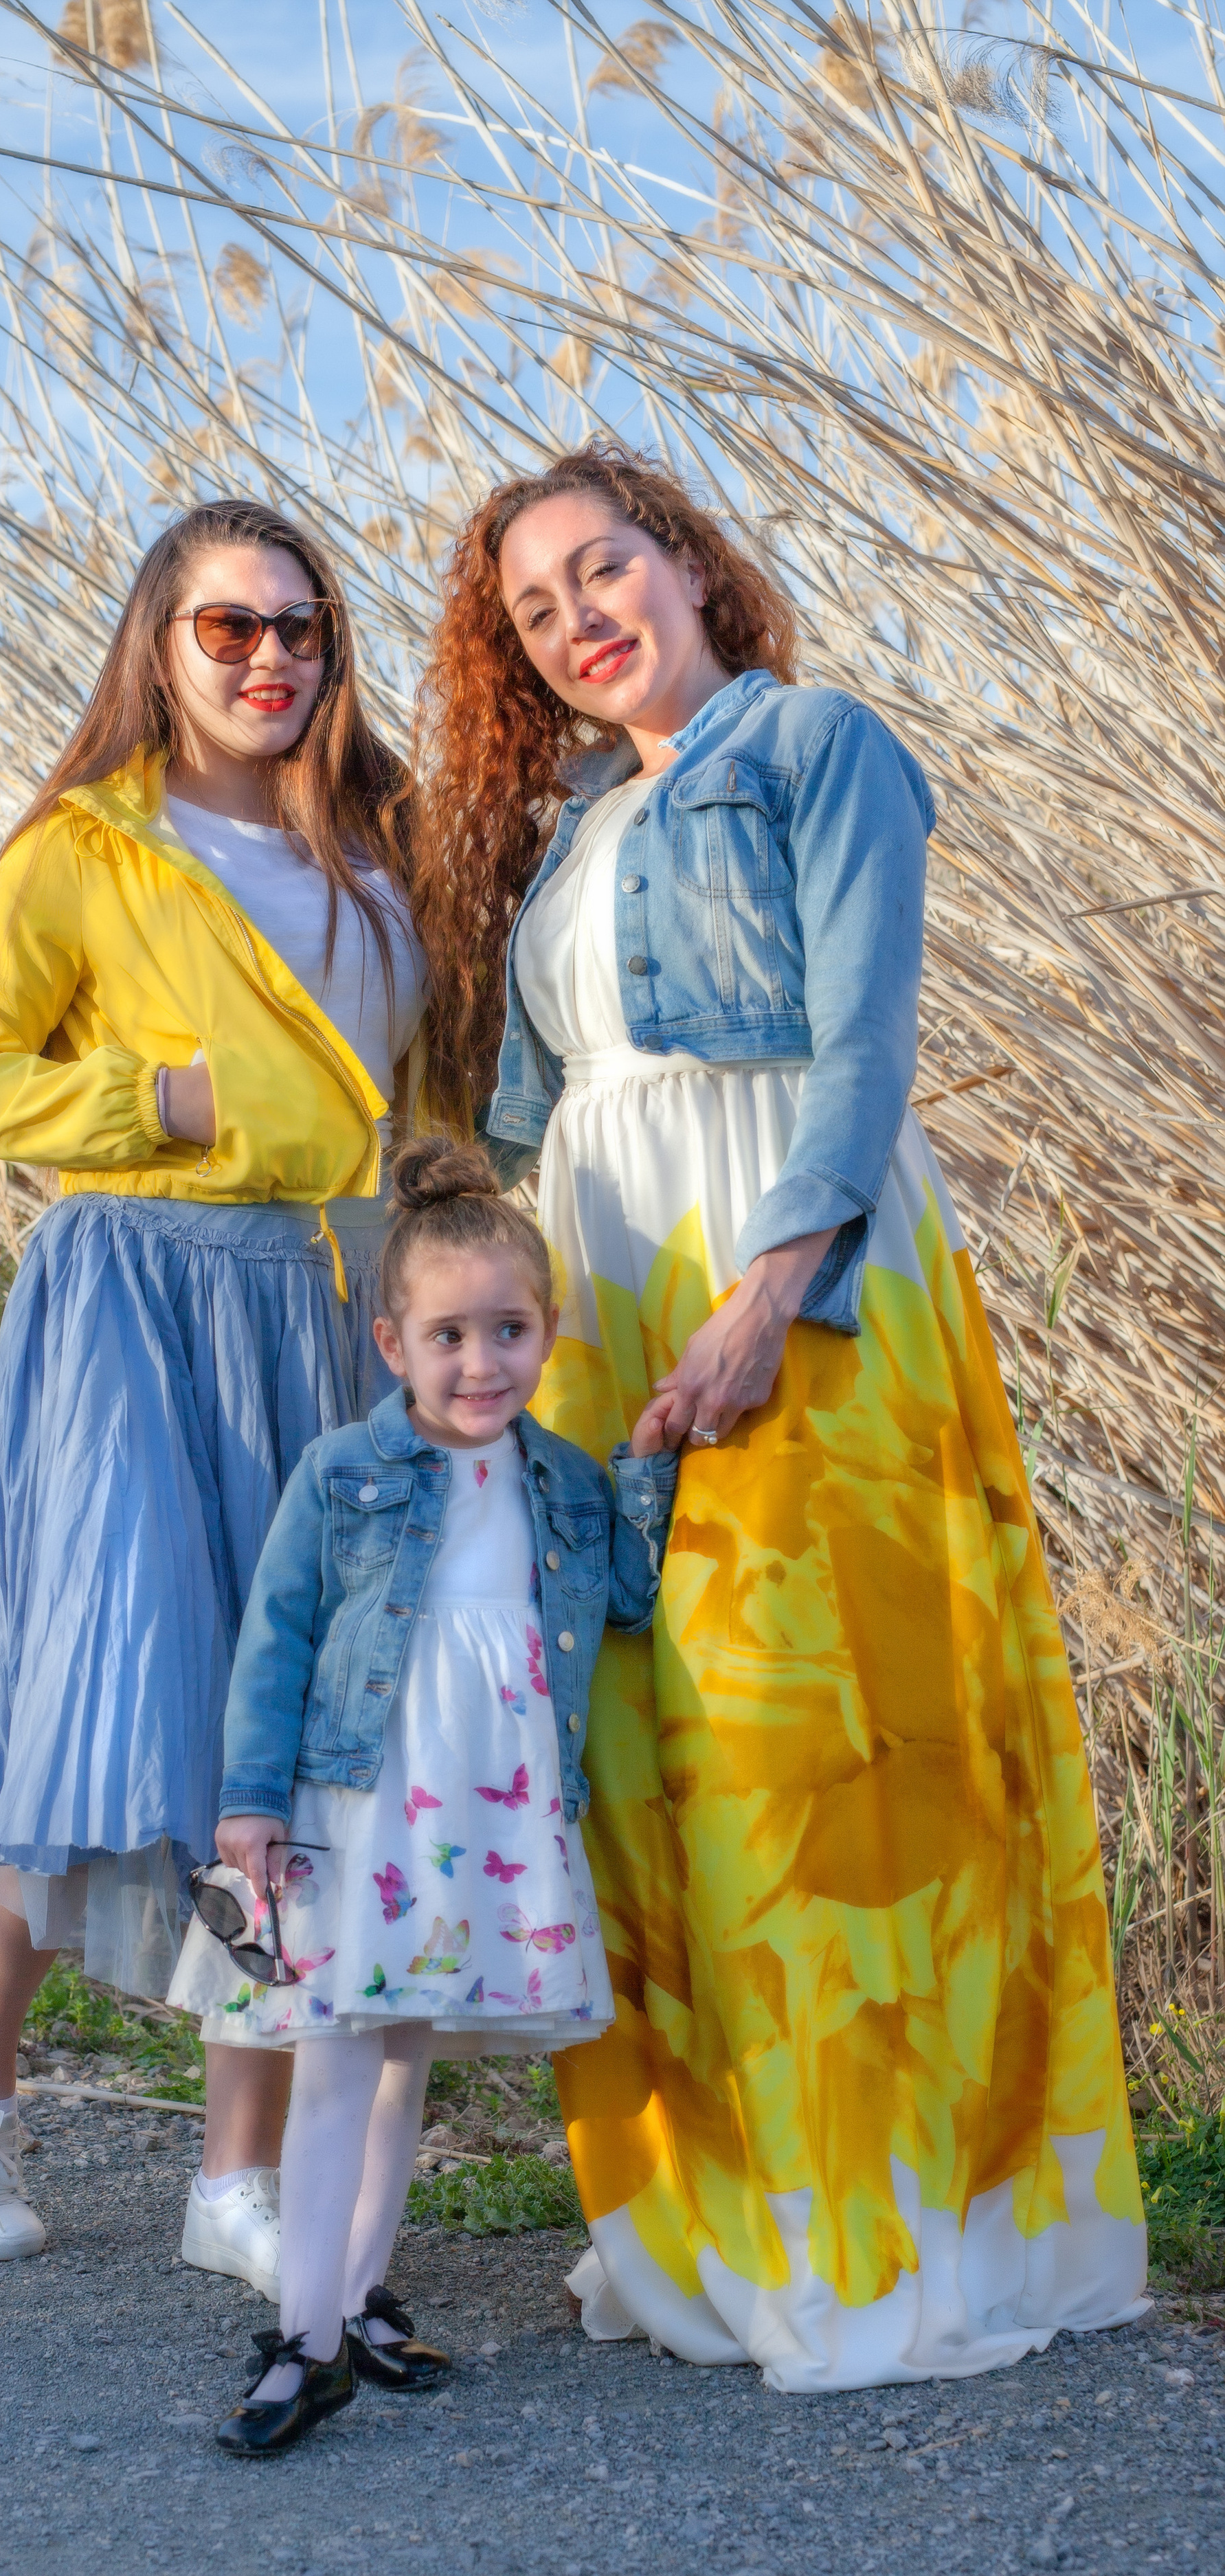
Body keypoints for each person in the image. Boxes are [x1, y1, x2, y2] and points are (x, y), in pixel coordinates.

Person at [408, 443, 1146, 2392]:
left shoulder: (815, 742)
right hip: (607, 1313)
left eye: (604, 564)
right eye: (537, 606)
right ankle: (709, 2229)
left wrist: (765, 1294)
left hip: (789, 1285)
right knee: (656, 1760)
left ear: (694, 563)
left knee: (820, 1757)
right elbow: (515, 1125)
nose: (579, 615)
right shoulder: (569, 839)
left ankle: (884, 2226)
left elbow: (864, 1037)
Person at [0, 499, 430, 2297]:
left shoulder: (386, 841)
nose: (271, 659)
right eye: (229, 629)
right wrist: (158, 1100)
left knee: (278, 1742)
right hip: (133, 1286)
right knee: (93, 1692)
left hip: (325, 1302)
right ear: (161, 643)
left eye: (301, 629)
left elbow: (413, 1099)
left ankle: (240, 2173)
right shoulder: (86, 846)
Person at [167, 1138, 678, 2453]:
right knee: (336, 2061)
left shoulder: (560, 1479)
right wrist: (250, 1801)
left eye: (508, 1330)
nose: (480, 1363)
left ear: (547, 1332)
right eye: (448, 1334)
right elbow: (276, 1636)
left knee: (401, 2069)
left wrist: (655, 1463)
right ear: (393, 1340)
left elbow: (623, 1596)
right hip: (362, 1807)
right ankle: (304, 2336)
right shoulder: (344, 1472)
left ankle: (355, 2295)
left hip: (484, 1811)